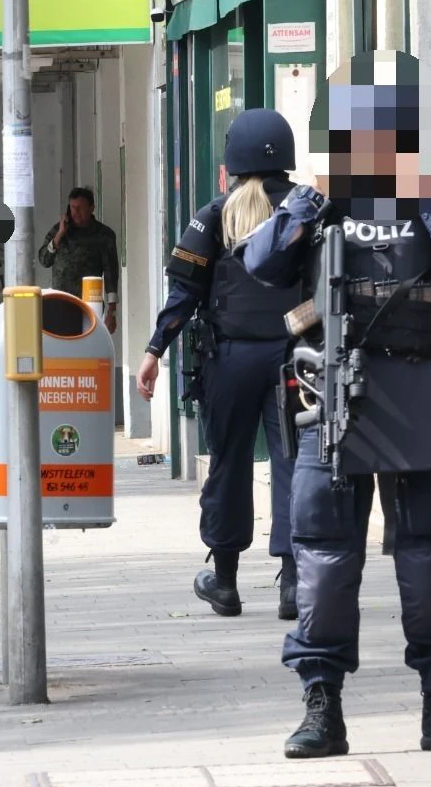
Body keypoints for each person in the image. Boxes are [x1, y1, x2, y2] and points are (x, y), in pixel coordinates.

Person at [238, 49, 431, 759]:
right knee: (325, 560)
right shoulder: (316, 201)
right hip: (330, 397)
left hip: (422, 392)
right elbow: (262, 264)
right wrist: (307, 199)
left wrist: (427, 200)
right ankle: (321, 702)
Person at [134, 108, 304, 621]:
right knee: (294, 466)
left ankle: (225, 581)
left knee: (228, 465)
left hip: (230, 361)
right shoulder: (306, 210)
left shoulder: (215, 214)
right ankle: (294, 583)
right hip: (294, 359)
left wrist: (152, 352)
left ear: (231, 162)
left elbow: (183, 293)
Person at [38, 186, 121, 332]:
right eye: (72, 207)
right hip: (60, 302)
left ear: (91, 208)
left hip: (88, 304)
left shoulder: (104, 235)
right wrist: (59, 235)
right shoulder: (60, 230)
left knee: (84, 346)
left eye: (80, 208)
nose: (75, 212)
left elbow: (111, 275)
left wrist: (111, 312)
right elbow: (44, 260)